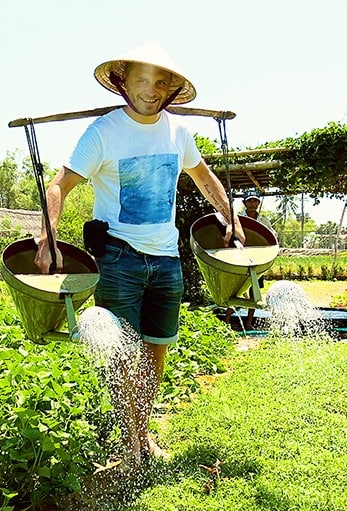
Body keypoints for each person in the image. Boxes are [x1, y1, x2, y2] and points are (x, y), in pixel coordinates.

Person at [34, 43, 246, 470]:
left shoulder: (178, 134)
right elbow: (58, 184)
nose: (151, 90)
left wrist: (231, 217)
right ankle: (132, 444)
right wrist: (47, 234)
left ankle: (140, 432)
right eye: (143, 80)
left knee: (156, 353)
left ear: (171, 90)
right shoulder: (104, 133)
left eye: (161, 82)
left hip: (166, 262)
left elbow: (205, 178)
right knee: (123, 354)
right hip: (119, 259)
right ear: (123, 82)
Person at [224, 190, 274, 331]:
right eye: (250, 201)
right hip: (240, 262)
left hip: (257, 262)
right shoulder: (237, 221)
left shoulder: (264, 222)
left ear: (258, 203)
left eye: (255, 201)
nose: (253, 203)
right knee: (237, 292)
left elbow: (271, 241)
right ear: (244, 203)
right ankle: (226, 322)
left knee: (254, 294)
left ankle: (248, 323)